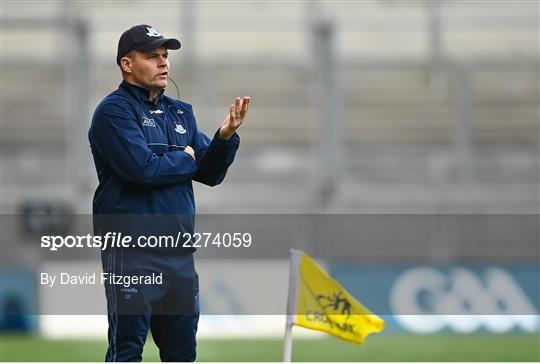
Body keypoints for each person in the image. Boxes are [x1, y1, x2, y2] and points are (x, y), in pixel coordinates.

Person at [88, 24, 250, 362]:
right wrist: (185, 157)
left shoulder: (181, 112)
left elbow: (210, 173)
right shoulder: (113, 112)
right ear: (127, 64)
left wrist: (223, 138)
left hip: (179, 255)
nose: (163, 63)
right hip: (132, 252)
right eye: (152, 56)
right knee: (127, 350)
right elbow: (143, 169)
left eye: (165, 56)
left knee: (182, 353)